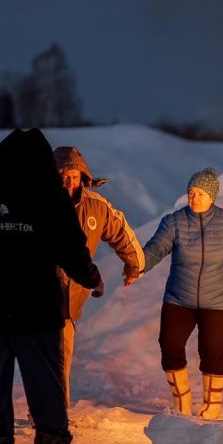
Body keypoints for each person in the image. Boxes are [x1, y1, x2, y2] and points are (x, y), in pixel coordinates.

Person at [0, 128, 103, 444]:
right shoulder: (48, 193)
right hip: (35, 308)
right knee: (46, 387)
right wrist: (90, 276)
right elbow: (71, 248)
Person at [142, 168, 223, 419]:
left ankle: (211, 407)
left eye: (200, 193)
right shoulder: (174, 222)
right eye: (191, 192)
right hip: (179, 298)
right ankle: (182, 401)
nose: (194, 198)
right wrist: (136, 266)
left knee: (211, 352)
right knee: (170, 345)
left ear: (212, 196)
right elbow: (154, 250)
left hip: (217, 300)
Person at [53, 146, 144, 408]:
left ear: (82, 176)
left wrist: (133, 265)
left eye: (72, 175)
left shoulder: (95, 206)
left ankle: (52, 414)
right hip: (39, 293)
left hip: (72, 296)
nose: (66, 181)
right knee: (50, 355)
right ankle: (52, 415)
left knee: (61, 355)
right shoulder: (39, 202)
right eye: (60, 174)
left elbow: (120, 232)